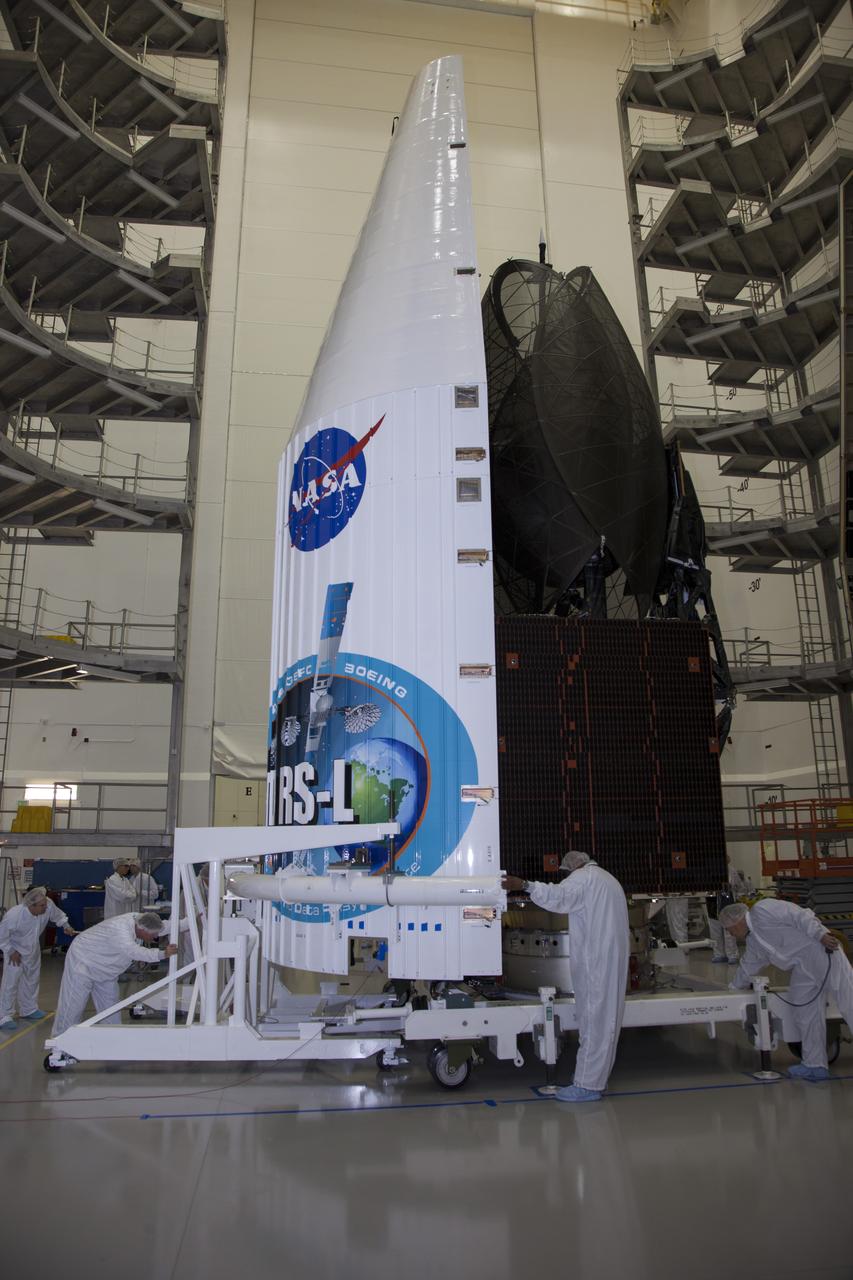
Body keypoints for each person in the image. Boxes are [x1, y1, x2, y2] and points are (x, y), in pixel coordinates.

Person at [503, 851, 629, 1102]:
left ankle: (587, 1084)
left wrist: (524, 885)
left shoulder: (583, 879)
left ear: (574, 867)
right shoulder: (608, 880)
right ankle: (594, 1081)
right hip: (611, 960)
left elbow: (557, 897)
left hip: (597, 963)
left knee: (594, 1022)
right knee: (605, 1023)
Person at [721, 899, 853, 1081]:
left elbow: (799, 915)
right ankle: (815, 1064)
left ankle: (815, 1064)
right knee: (803, 1011)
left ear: (735, 922)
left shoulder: (763, 909)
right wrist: (732, 989)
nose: (731, 934)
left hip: (821, 951)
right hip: (802, 966)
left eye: (729, 930)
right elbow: (748, 966)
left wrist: (820, 934)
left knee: (849, 1002)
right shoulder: (753, 942)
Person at [53, 911, 177, 1037]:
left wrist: (192, 920)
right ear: (142, 929)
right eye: (153, 934)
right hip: (83, 960)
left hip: (106, 968)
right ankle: (59, 1041)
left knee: (110, 1007)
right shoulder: (120, 929)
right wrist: (162, 954)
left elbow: (165, 926)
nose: (155, 937)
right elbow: (133, 951)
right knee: (73, 1005)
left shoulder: (141, 922)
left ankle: (111, 1038)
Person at [0, 887, 78, 1030]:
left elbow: (58, 915)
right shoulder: (14, 915)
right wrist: (11, 951)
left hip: (33, 949)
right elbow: (2, 937)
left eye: (45, 904)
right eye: (42, 906)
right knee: (10, 983)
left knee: (32, 980)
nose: (46, 907)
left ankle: (28, 1009)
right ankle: (4, 1015)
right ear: (31, 905)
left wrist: (65, 925)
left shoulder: (46, 904)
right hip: (15, 950)